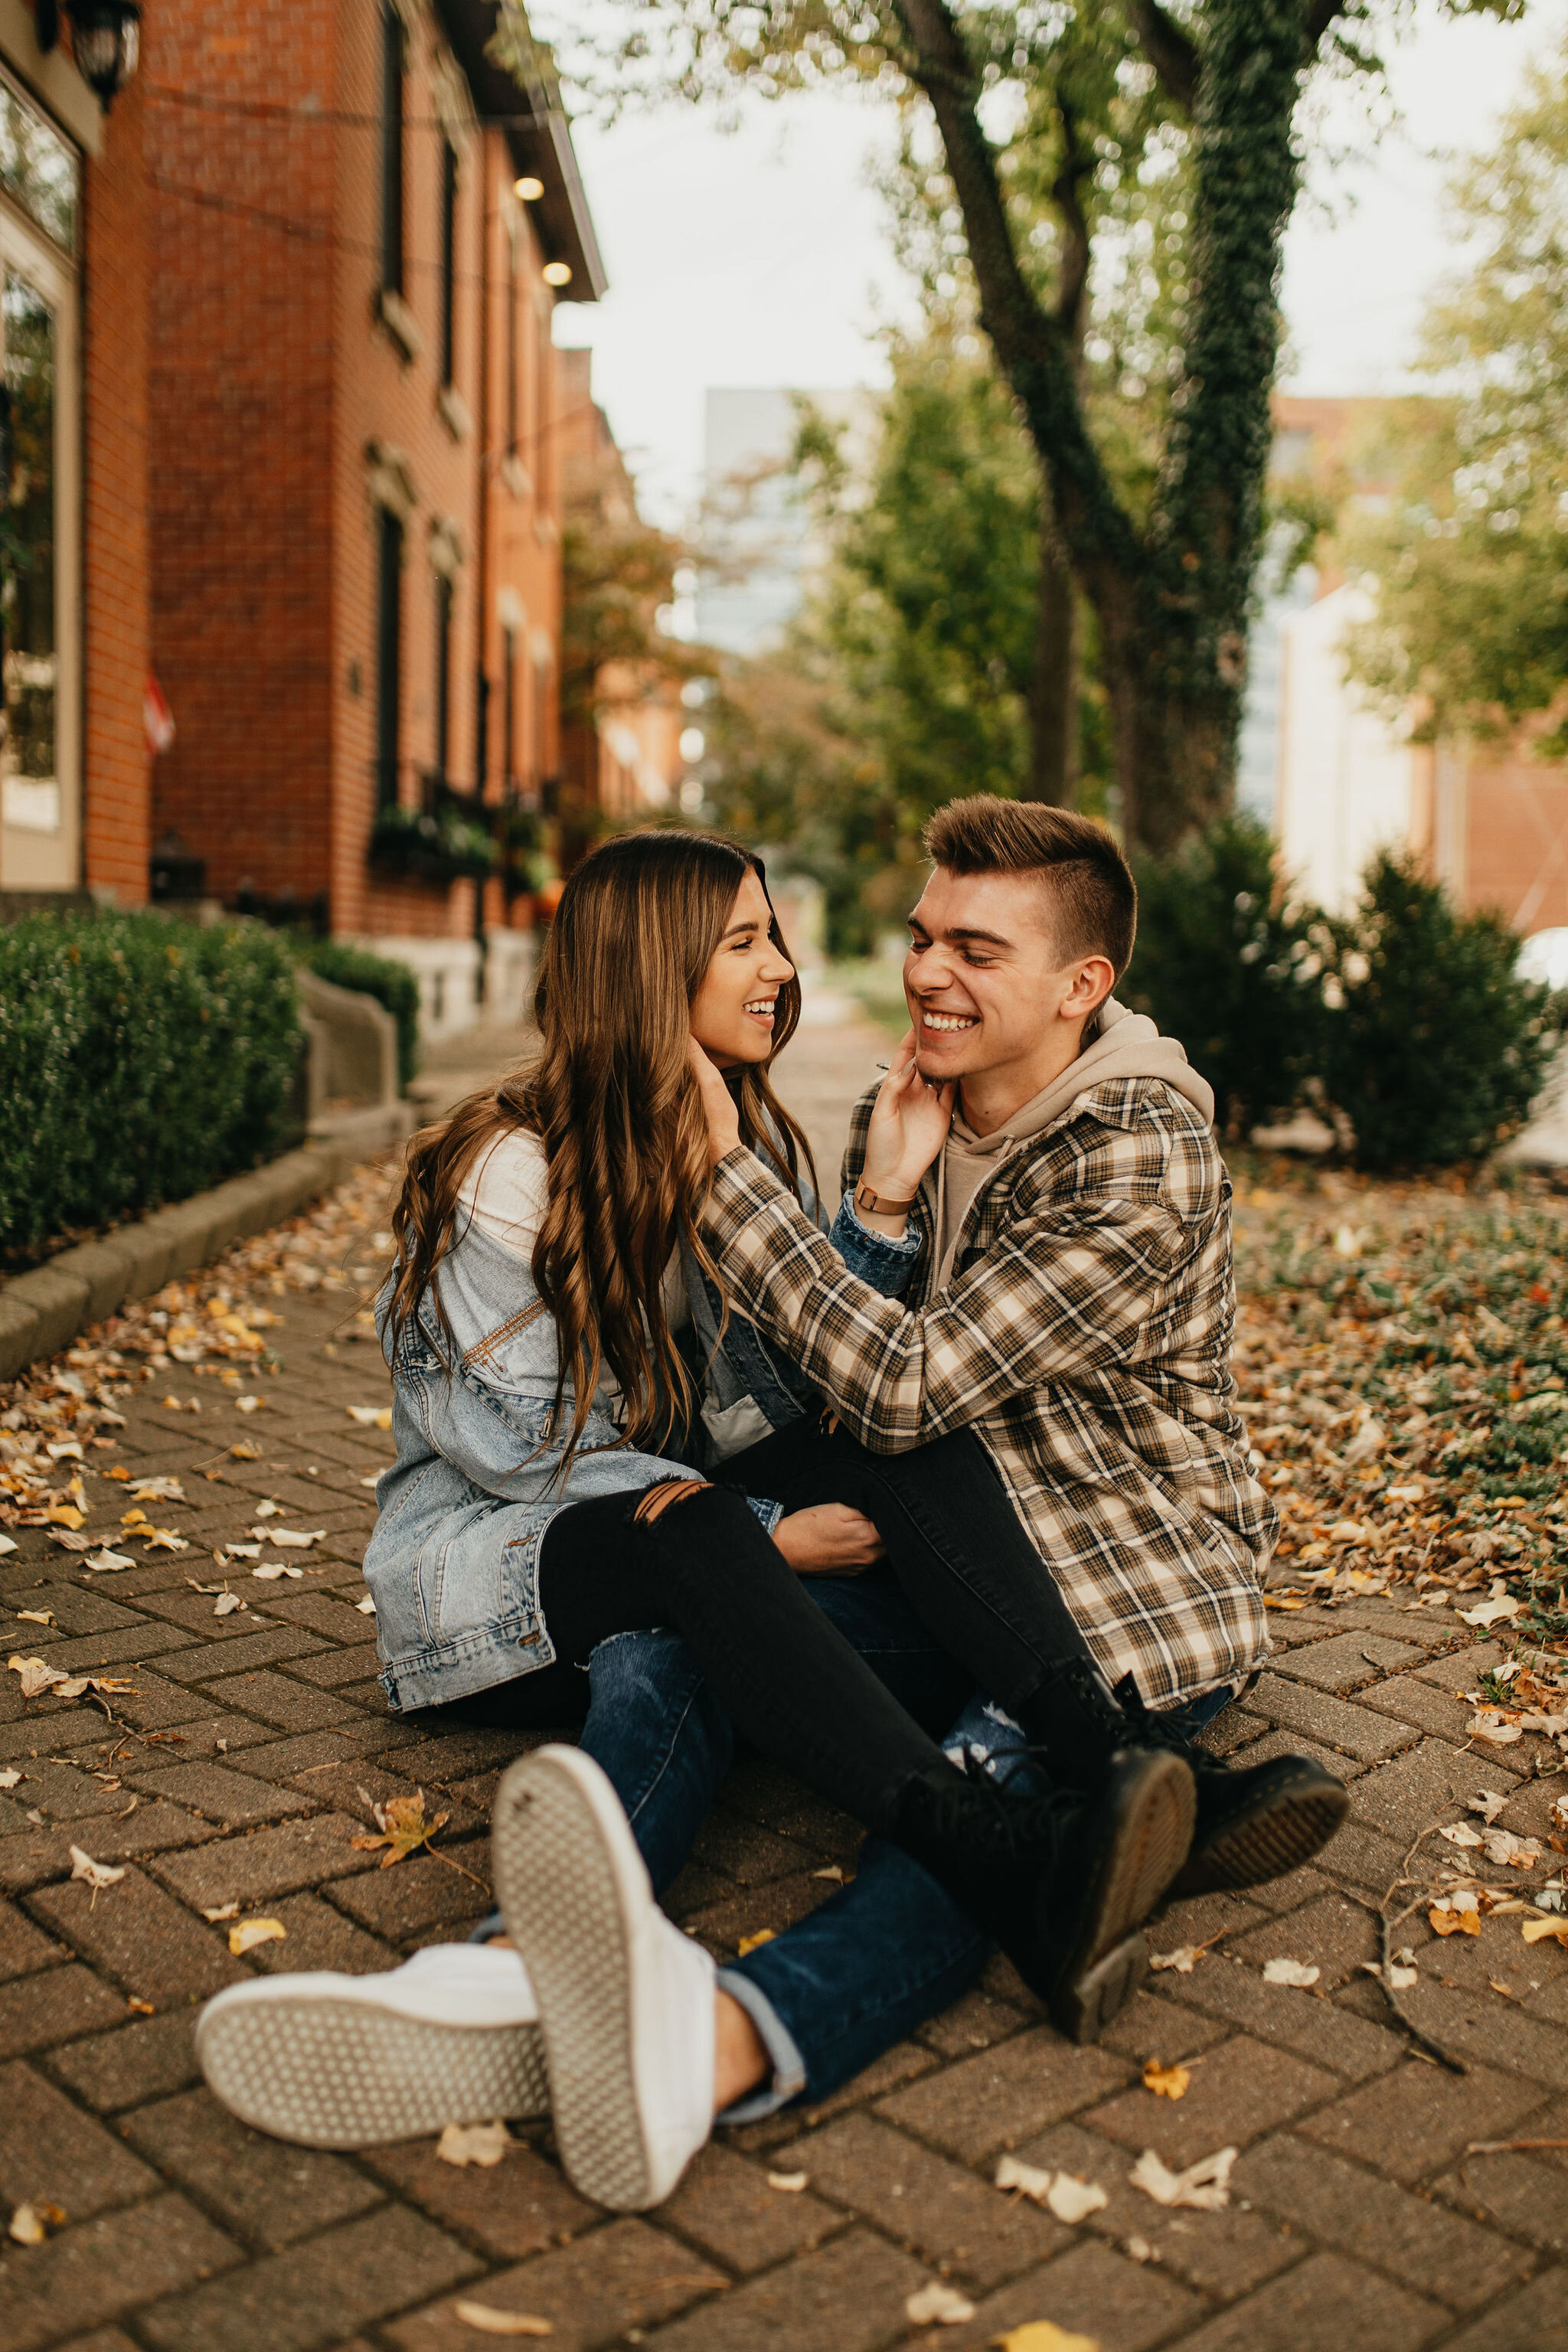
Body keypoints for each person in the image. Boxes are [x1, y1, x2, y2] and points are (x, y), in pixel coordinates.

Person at [198, 825, 1208, 2164]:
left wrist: (881, 1207)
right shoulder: (505, 1171)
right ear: (650, 968)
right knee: (699, 1541)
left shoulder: (740, 1143)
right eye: (746, 941)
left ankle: (498, 1981)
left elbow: (802, 1395)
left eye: (776, 935)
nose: (783, 968)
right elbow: (529, 1454)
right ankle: (994, 1849)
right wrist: (769, 1534)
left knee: (682, 1622)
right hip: (492, 1573)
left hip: (665, 1567)